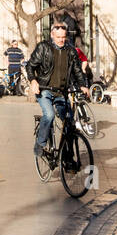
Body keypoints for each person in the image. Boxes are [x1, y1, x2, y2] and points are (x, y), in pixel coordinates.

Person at [27, 19, 89, 158]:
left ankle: (68, 156)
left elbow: (77, 70)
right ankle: (40, 142)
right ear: (52, 36)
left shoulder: (70, 50)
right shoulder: (43, 47)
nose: (61, 40)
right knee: (49, 115)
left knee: (69, 122)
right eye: (58, 37)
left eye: (63, 37)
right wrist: (33, 81)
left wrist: (83, 85)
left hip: (62, 92)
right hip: (45, 90)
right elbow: (30, 66)